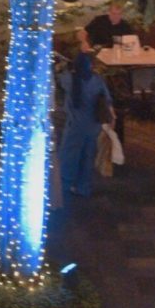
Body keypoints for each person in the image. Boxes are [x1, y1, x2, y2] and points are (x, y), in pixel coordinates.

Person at [58, 47, 112, 197]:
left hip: (75, 125)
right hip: (93, 125)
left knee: (69, 155)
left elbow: (60, 80)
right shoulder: (97, 80)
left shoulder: (70, 79)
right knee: (88, 156)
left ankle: (65, 185)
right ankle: (83, 187)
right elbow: (107, 100)